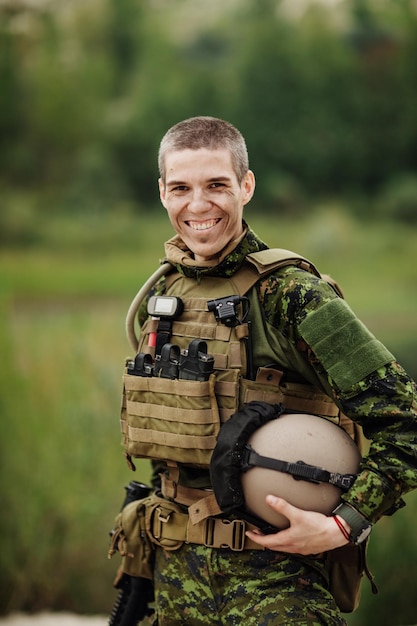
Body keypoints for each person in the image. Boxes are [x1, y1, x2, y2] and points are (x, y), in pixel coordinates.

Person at [118, 116, 417, 625]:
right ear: (162, 192)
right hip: (175, 583)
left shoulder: (291, 294)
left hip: (274, 585)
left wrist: (346, 524)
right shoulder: (165, 294)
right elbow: (174, 435)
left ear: (246, 186)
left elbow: (406, 421)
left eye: (216, 185)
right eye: (181, 188)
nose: (198, 205)